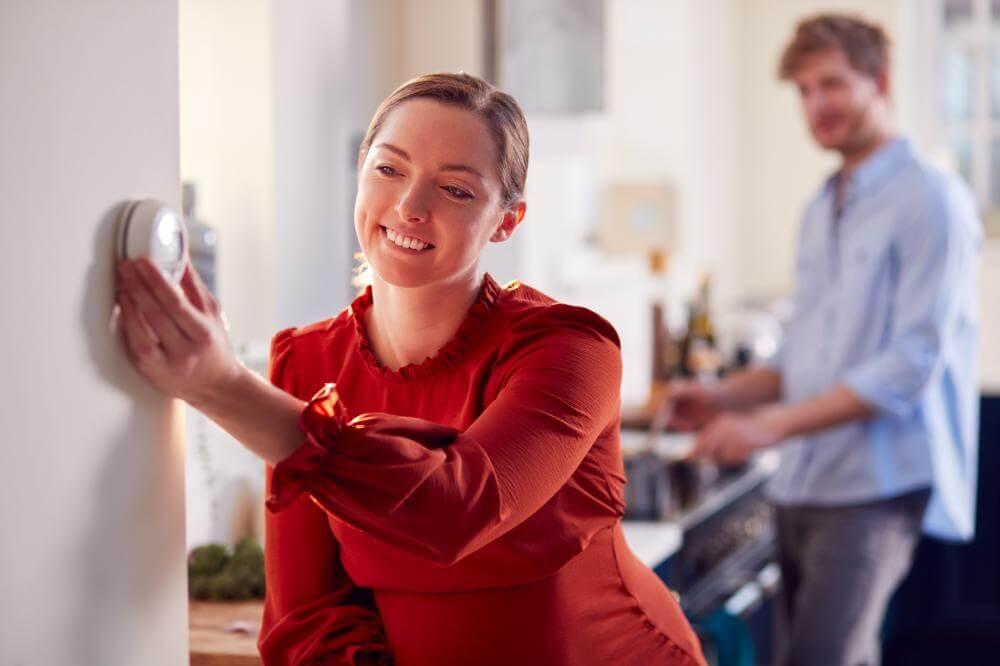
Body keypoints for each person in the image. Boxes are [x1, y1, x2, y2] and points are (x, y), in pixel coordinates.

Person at [114, 73, 706, 666]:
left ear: (507, 220)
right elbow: (307, 615)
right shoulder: (307, 360)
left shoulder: (570, 347)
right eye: (389, 169)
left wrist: (219, 387)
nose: (409, 207)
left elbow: (456, 508)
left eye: (454, 190)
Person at [667, 14, 982, 666]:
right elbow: (803, 355)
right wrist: (722, 397)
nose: (817, 106)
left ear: (880, 81)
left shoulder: (931, 199)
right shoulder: (821, 207)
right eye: (805, 91)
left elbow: (909, 364)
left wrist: (769, 427)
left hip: (874, 489)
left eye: (833, 84)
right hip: (803, 484)